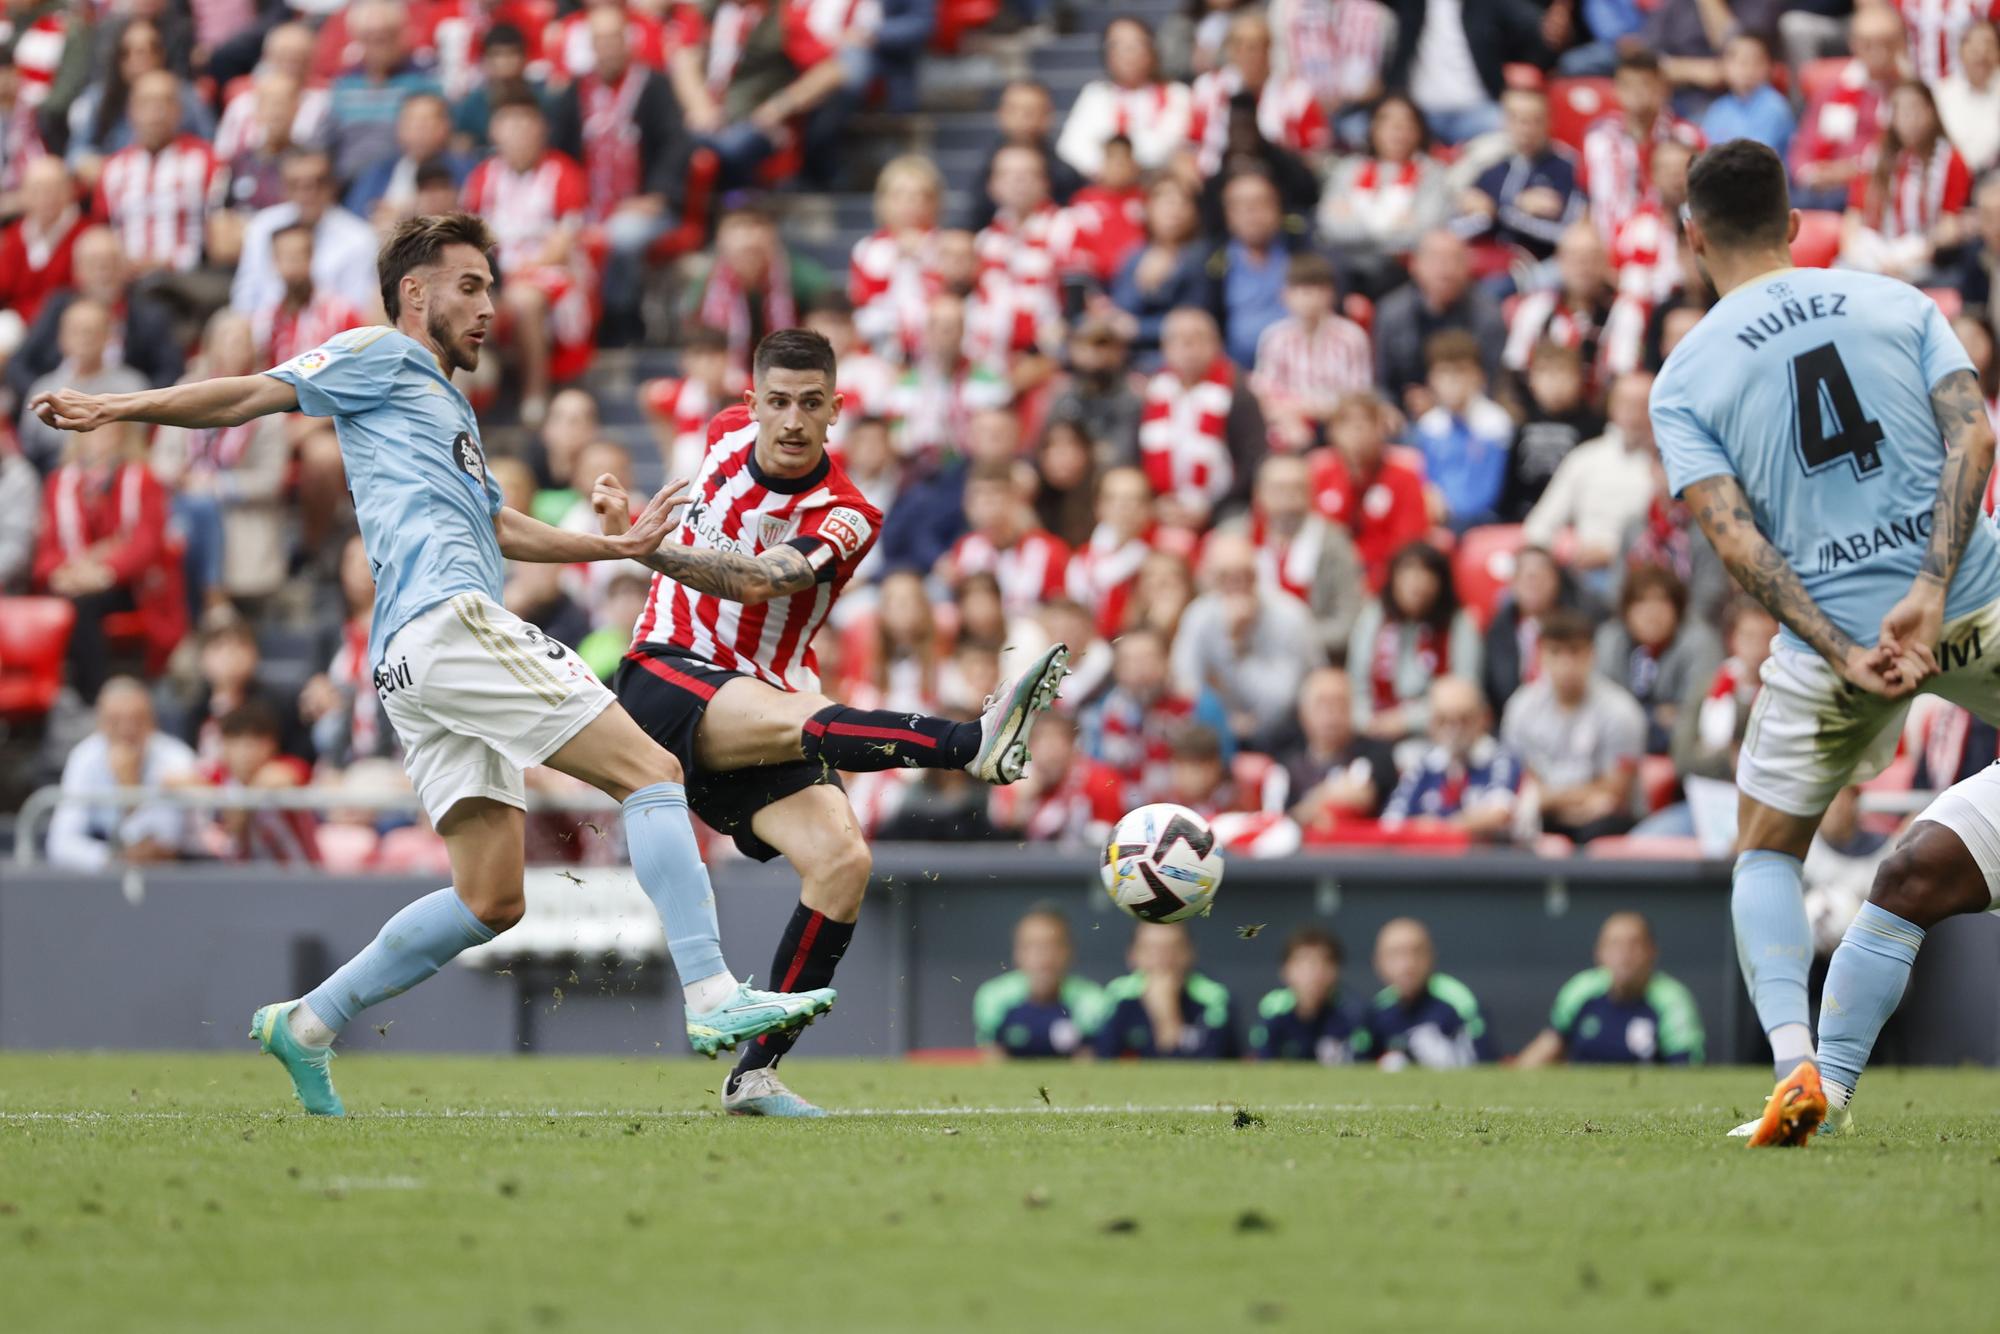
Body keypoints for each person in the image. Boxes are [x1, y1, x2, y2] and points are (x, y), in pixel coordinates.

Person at [29, 213, 834, 1117]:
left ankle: (308, 1023)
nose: (490, 306)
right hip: (448, 624)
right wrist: (120, 407)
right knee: (652, 770)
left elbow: (498, 526)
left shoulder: (446, 406)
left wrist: (621, 550)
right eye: (471, 286)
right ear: (416, 293)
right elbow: (253, 394)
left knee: (491, 898)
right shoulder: (379, 353)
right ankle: (714, 995)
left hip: (411, 660)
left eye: (490, 288)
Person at [591, 326, 1072, 1117]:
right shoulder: (718, 439)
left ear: (836, 410)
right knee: (803, 714)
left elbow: (755, 582)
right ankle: (971, 745)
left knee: (843, 861)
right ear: (749, 404)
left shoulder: (848, 515)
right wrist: (638, 524)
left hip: (762, 703)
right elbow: (702, 554)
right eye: (776, 401)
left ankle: (754, 1075)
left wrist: (641, 546)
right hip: (666, 676)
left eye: (810, 404)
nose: (790, 420)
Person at [1649, 139, 2000, 1146]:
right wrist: (1929, 587)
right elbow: (1971, 436)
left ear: (1692, 238)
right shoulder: (1895, 302)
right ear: (1794, 224)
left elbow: (1733, 539)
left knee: (1763, 850)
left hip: (1835, 643)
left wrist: (1840, 648)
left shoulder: (1683, 377)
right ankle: (1822, 1085)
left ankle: (1794, 1061)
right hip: (1971, 595)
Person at [1501, 608, 1646, 844]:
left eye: (1575, 652)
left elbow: (1615, 791)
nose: (1566, 664)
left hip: (1604, 819)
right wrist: (1552, 803)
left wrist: (1545, 799)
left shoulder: (1621, 711)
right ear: (1540, 656)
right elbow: (1519, 773)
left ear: (1591, 654)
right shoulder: (1520, 707)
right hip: (1544, 814)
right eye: (1556, 652)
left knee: (1600, 826)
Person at [1169, 530, 1320, 744]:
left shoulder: (1290, 616)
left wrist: (1237, 648)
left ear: (1257, 574)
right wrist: (1224, 722)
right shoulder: (1199, 615)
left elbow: (1280, 704)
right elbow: (1186, 686)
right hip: (1217, 734)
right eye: (1225, 577)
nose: (1237, 583)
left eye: (1245, 575)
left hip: (1286, 735)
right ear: (1209, 577)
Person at [1524, 370, 1662, 598]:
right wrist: (1560, 556)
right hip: (1578, 570)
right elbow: (1539, 524)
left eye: (1641, 404)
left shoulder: (1666, 468)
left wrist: (1612, 553)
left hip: (1641, 576)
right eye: (1625, 403)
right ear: (1612, 407)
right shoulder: (1585, 459)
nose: (1633, 413)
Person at [44, 677, 197, 871]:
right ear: (100, 723)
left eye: (137, 719)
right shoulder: (84, 757)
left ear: (153, 722)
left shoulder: (176, 758)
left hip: (172, 880)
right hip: (100, 877)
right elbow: (61, 844)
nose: (127, 730)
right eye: (115, 721)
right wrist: (110, 859)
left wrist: (130, 790)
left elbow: (166, 844)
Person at [1515, 912, 1706, 1065]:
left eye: (1634, 945)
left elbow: (1686, 1070)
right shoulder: (1582, 990)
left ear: (1652, 951)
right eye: (1614, 945)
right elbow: (1550, 1044)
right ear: (1599, 953)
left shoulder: (1672, 1000)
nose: (1624, 956)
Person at [1838, 80, 1972, 284]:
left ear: (1931, 111)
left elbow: (1950, 225)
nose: (1909, 118)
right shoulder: (1876, 155)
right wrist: (1853, 250)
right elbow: (1854, 214)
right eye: (1901, 111)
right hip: (1875, 251)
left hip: (1921, 255)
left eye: (1916, 109)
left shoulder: (1950, 160)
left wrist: (1917, 251)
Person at [1349, 542, 1483, 742]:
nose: (1416, 582)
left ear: (1440, 582)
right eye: (1407, 572)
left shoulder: (1459, 624)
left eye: (1425, 573)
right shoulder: (1374, 616)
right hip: (1373, 729)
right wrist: (1367, 720)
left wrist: (1407, 720)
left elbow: (1467, 691)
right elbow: (1355, 684)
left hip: (1438, 733)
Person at [1371, 229, 1506, 418]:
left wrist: (1443, 403)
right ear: (1414, 264)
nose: (1445, 270)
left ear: (1468, 265)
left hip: (1470, 414)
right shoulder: (1391, 313)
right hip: (1405, 416)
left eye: (1454, 259)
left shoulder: (1488, 315)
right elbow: (1382, 383)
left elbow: (1495, 384)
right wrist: (1389, 411)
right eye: (1436, 259)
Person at [1594, 564, 1723, 755]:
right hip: (1618, 750)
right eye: (1641, 602)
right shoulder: (1611, 638)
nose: (1651, 613)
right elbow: (1599, 708)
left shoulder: (1700, 641)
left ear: (1678, 609)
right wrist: (1655, 716)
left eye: (1661, 602)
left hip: (1681, 756)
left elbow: (1696, 717)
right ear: (1626, 610)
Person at [1456, 83, 1585, 266]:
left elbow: (1570, 236)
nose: (1526, 129)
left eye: (1535, 120)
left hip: (1543, 266)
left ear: (1550, 121)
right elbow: (1456, 227)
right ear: (1505, 122)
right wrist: (1506, 208)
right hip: (1487, 263)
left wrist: (1502, 212)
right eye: (1517, 119)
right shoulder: (1492, 165)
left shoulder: (1567, 168)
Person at [1380, 676, 1521, 841]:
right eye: (1443, 720)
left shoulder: (1501, 759)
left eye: (1463, 719)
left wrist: (1438, 828)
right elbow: (1390, 823)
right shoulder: (1423, 767)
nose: (1453, 730)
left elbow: (1498, 814)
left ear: (1484, 718)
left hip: (1487, 861)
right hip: (1428, 862)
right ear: (1431, 724)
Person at [1056, 18, 1194, 178]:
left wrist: (1125, 165)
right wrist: (1108, 170)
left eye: (1135, 45)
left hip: (1157, 182)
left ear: (1152, 51)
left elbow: (1170, 143)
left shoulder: (1176, 93)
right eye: (1116, 46)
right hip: (1101, 182)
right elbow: (1071, 146)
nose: (1127, 53)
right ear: (1106, 55)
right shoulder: (1095, 93)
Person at [1412, 330, 1512, 531]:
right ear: (1431, 380)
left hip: (1480, 522)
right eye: (1443, 372)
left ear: (1478, 376)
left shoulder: (1496, 424)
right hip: (1435, 521)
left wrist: (1449, 511)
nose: (1451, 381)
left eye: (1460, 372)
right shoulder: (1428, 426)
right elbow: (1423, 479)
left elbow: (1487, 494)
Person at [1093, 921, 1238, 1060]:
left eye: (1173, 949)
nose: (1162, 961)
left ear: (1190, 953)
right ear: (1132, 955)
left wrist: (1168, 1018)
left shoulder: (1213, 998)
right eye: (1151, 950)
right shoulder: (1119, 996)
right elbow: (1103, 1058)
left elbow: (1212, 1064)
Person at [972, 909, 1106, 1059]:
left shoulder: (1092, 999)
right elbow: (993, 1059)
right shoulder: (993, 997)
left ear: (1069, 951)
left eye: (1053, 945)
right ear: (1017, 953)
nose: (1043, 957)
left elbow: (1089, 1062)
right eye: (1032, 946)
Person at [1364, 917, 1496, 1067]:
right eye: (1396, 954)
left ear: (1431, 956)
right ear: (1378, 962)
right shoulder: (1378, 1008)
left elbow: (1487, 1064)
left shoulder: (1457, 1002)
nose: (1407, 964)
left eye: (1417, 952)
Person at [1251, 926, 1371, 1063]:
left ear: (1336, 969)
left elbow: (1360, 1064)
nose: (1313, 972)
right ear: (1285, 969)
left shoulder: (1352, 1012)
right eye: (1303, 962)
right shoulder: (1274, 1010)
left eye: (1323, 962)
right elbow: (1263, 1061)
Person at [1699, 32, 1795, 159]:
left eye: (1756, 62)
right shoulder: (1718, 108)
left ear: (1768, 67)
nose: (1749, 69)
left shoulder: (1774, 106)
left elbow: (1756, 157)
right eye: (1741, 62)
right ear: (1724, 66)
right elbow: (1704, 150)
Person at [1934, 19, 2000, 176]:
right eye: (1974, 45)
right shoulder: (1941, 93)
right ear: (1961, 50)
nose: (1982, 52)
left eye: (1989, 44)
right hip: (1951, 175)